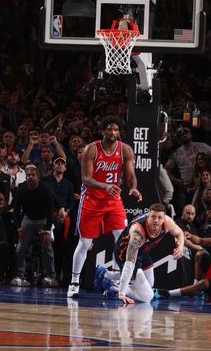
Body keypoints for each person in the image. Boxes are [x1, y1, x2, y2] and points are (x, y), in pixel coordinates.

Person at [68, 116, 142, 298]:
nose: (113, 133)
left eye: (116, 130)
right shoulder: (91, 149)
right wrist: (104, 186)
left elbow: (130, 174)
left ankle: (115, 282)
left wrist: (133, 188)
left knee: (122, 240)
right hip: (92, 199)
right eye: (109, 129)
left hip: (113, 200)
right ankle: (74, 282)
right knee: (85, 243)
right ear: (103, 131)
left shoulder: (125, 150)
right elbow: (86, 178)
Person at [95, 203, 184, 303]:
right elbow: (129, 265)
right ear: (148, 216)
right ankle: (114, 287)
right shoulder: (138, 234)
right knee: (147, 297)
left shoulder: (168, 222)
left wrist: (180, 247)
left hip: (143, 250)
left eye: (159, 217)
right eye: (153, 217)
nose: (156, 220)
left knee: (150, 285)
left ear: (164, 218)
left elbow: (180, 233)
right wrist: (122, 294)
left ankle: (105, 274)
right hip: (124, 252)